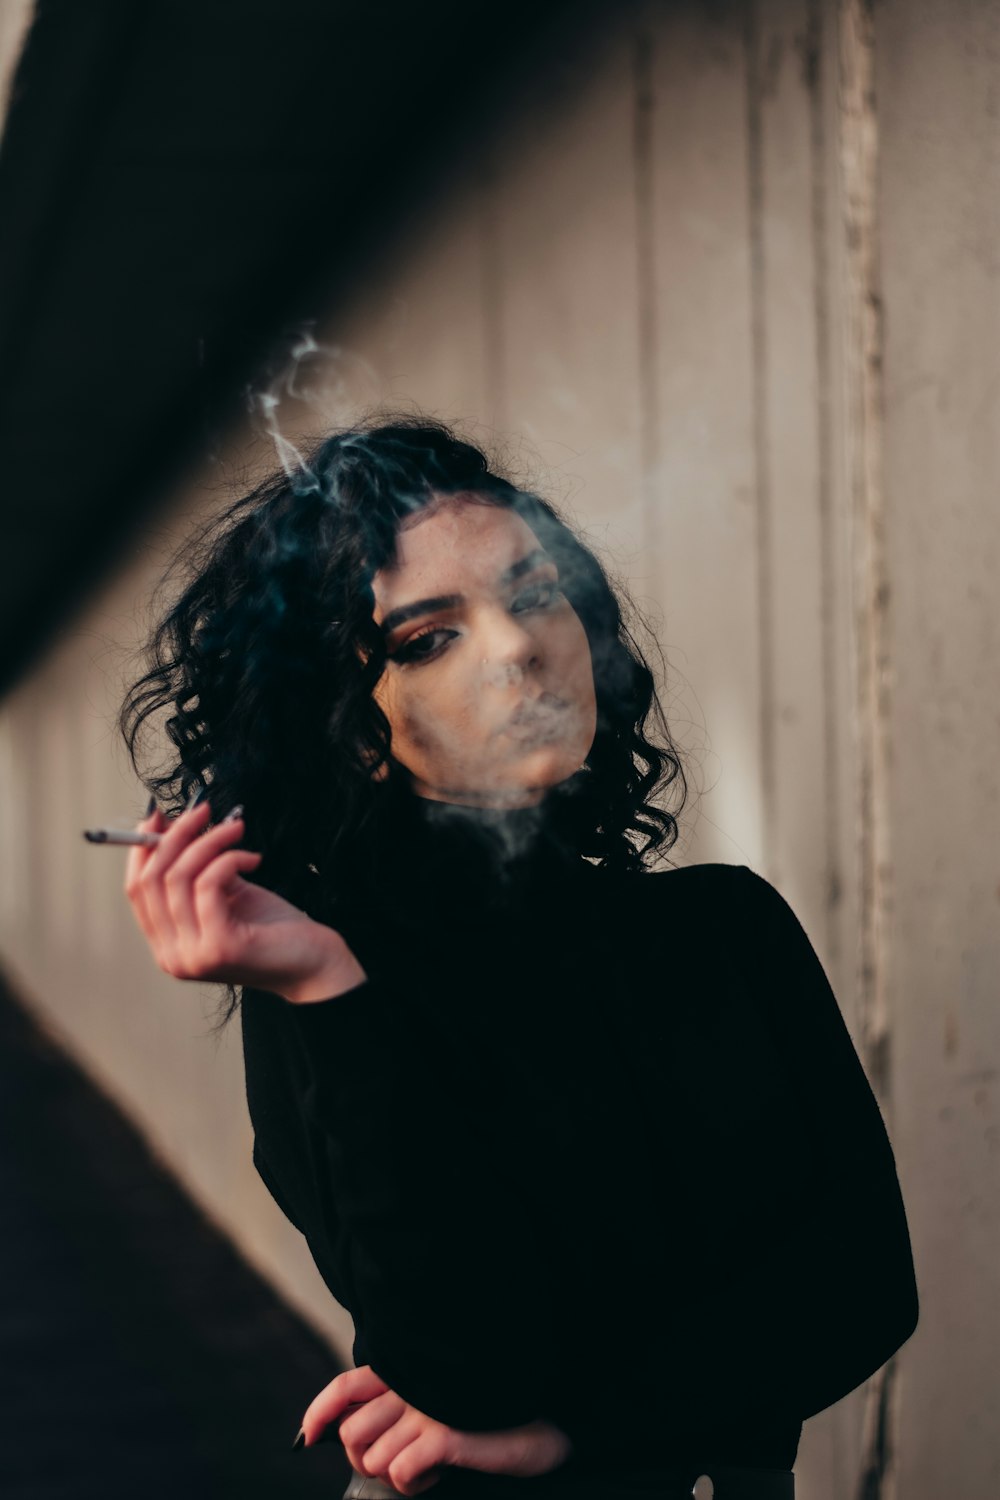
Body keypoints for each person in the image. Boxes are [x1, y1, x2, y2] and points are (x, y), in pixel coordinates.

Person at [119, 415, 919, 1500]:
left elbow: (863, 1293)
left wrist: (570, 1428)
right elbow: (467, 1368)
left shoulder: (723, 929)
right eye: (427, 638)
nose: (519, 647)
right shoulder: (331, 986)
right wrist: (321, 987)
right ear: (360, 728)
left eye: (535, 593)